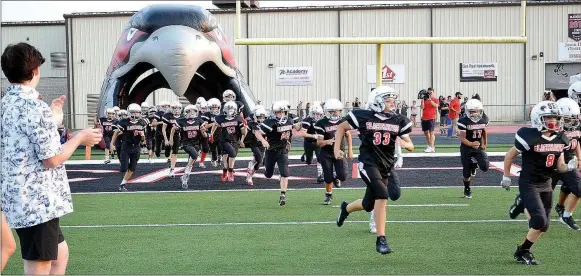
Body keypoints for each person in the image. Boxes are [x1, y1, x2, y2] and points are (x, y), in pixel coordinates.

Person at [1, 42, 102, 274]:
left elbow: (24, 140)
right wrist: (80, 137)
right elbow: (52, 159)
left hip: (20, 197)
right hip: (36, 201)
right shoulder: (34, 107)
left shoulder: (7, 103)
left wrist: (53, 120)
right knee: (39, 266)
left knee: (59, 255)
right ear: (35, 70)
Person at [334, 86, 414, 255]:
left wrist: (406, 144)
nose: (392, 103)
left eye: (393, 100)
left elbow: (411, 145)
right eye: (388, 100)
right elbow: (341, 127)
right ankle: (381, 239)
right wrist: (336, 150)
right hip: (368, 163)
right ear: (377, 101)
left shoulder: (399, 120)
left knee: (367, 205)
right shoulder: (363, 116)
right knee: (383, 194)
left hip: (386, 166)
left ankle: (345, 208)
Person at [501, 100, 575, 265]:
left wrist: (569, 167)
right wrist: (506, 176)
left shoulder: (561, 137)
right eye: (549, 117)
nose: (553, 121)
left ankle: (521, 206)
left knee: (544, 226)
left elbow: (560, 166)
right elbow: (509, 155)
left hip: (546, 183)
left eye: (555, 118)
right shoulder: (529, 136)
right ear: (537, 118)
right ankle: (523, 251)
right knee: (539, 221)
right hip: (529, 183)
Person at [256, 101, 303, 206]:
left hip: (282, 151)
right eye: (278, 112)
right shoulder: (270, 122)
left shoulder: (290, 120)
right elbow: (257, 132)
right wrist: (263, 141)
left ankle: (283, 194)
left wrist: (289, 141)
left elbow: (291, 132)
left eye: (283, 112)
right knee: (268, 175)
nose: (281, 114)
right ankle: (266, 165)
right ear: (274, 113)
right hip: (271, 150)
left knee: (285, 173)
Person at [315, 99, 353, 205]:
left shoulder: (343, 121)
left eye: (337, 111)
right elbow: (319, 143)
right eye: (332, 111)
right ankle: (328, 195)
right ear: (327, 111)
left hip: (340, 152)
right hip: (326, 153)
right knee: (327, 177)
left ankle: (336, 177)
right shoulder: (321, 123)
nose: (335, 113)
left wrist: (350, 150)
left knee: (343, 176)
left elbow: (348, 135)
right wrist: (327, 141)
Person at [457, 99, 489, 199]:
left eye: (476, 111)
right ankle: (467, 189)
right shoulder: (463, 121)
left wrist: (484, 144)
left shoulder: (484, 119)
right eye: (472, 111)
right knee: (466, 172)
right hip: (466, 147)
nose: (475, 113)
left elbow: (484, 131)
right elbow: (462, 138)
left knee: (485, 167)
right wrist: (471, 144)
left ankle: (474, 165)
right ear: (467, 111)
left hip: (477, 145)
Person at [111, 103, 147, 191]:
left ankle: (122, 184)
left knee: (132, 167)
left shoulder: (142, 122)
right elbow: (116, 132)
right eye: (133, 112)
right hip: (126, 146)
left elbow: (143, 140)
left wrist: (142, 136)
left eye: (137, 112)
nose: (135, 114)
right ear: (129, 113)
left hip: (136, 147)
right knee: (124, 167)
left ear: (140, 113)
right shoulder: (123, 122)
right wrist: (112, 144)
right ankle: (123, 177)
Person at [211, 101, 246, 182]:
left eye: (232, 109)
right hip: (224, 140)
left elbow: (243, 132)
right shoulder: (220, 118)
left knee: (229, 155)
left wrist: (242, 135)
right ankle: (230, 171)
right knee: (231, 154)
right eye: (228, 109)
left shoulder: (238, 119)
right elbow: (214, 125)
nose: (230, 111)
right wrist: (212, 134)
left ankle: (225, 170)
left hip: (235, 140)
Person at [174, 104, 207, 188]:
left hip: (196, 144)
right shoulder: (181, 121)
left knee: (191, 162)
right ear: (185, 113)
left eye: (193, 111)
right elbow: (173, 130)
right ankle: (185, 176)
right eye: (189, 112)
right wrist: (171, 138)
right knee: (195, 155)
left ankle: (185, 176)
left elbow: (205, 136)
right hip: (186, 143)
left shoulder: (199, 121)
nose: (191, 113)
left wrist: (203, 132)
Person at [420, 87, 439, 152]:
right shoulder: (424, 99)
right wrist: (422, 99)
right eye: (429, 93)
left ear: (433, 93)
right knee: (426, 133)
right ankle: (430, 145)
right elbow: (422, 107)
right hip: (424, 117)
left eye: (431, 93)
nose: (430, 94)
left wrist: (430, 100)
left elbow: (436, 106)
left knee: (431, 132)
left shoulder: (435, 99)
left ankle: (431, 146)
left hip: (431, 117)